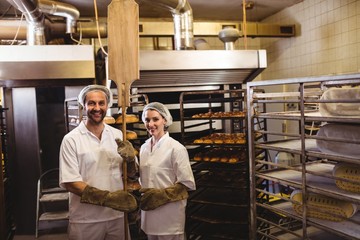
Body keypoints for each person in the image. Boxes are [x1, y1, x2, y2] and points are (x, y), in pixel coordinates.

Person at [59, 84, 138, 240]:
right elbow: (70, 182)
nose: (97, 108)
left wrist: (130, 161)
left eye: (101, 103)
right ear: (84, 105)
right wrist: (108, 198)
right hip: (86, 220)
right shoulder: (71, 139)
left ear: (107, 105)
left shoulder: (117, 135)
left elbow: (130, 174)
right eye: (91, 103)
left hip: (117, 217)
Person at [139, 102, 196, 240]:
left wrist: (161, 195)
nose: (151, 124)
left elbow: (186, 183)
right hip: (149, 215)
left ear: (164, 120)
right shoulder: (144, 148)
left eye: (155, 119)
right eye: (147, 120)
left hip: (170, 216)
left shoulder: (176, 148)